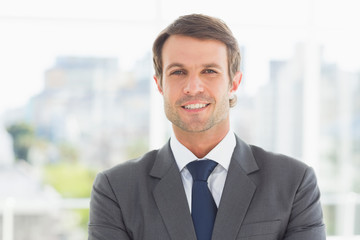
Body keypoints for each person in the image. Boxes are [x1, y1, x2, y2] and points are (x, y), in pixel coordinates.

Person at [88, 14, 326, 240]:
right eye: (178, 72)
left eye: (209, 71)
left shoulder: (294, 182)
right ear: (159, 84)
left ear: (234, 82)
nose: (193, 87)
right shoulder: (116, 189)